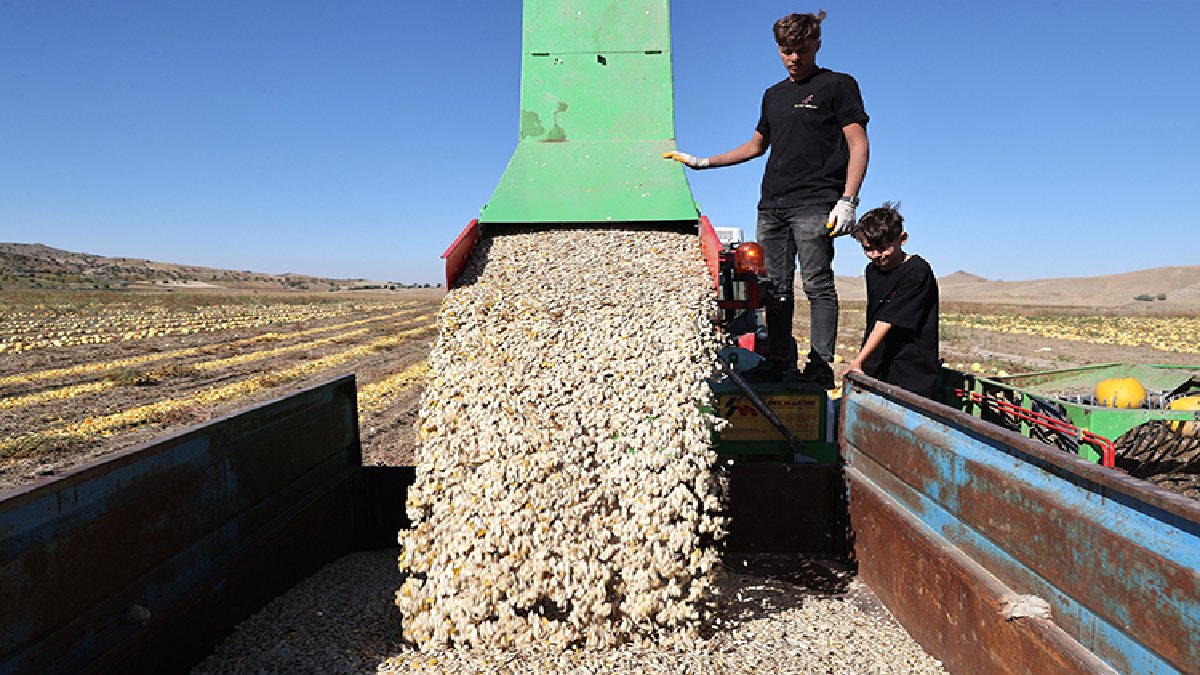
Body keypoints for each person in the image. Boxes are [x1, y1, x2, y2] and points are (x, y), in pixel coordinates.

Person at [664, 10, 869, 388]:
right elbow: (757, 145)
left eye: (803, 50)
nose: (795, 58)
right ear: (778, 50)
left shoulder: (838, 85)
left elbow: (858, 145)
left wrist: (848, 200)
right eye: (788, 51)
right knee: (774, 286)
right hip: (772, 203)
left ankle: (821, 368)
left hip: (815, 201)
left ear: (817, 46)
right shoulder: (773, 95)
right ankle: (779, 360)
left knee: (817, 284)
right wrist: (703, 162)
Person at [846, 202, 940, 398]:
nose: (876, 255)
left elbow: (888, 320)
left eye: (884, 247)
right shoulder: (872, 270)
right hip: (877, 361)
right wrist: (866, 361)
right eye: (869, 249)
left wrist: (858, 360)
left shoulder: (916, 271)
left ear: (902, 239)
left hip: (909, 366)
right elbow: (876, 316)